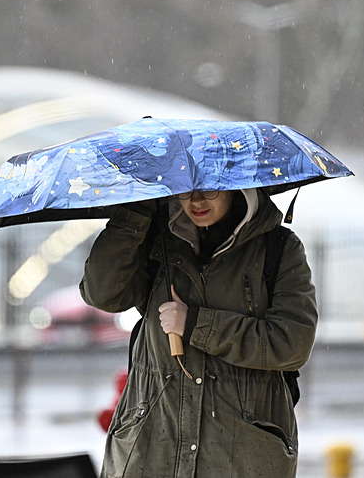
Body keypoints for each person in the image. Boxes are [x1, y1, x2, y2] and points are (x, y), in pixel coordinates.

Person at [80, 187, 317, 478]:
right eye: (185, 190)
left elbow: (292, 342)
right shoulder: (155, 239)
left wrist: (195, 324)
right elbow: (103, 294)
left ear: (237, 187)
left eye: (210, 189)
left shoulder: (279, 248)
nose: (196, 201)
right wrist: (136, 212)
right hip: (150, 449)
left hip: (243, 457)